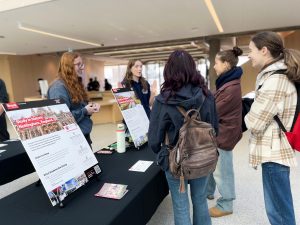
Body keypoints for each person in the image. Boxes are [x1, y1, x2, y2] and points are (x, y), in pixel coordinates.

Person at [148, 50, 218, 225]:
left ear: (168, 71)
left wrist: (161, 152)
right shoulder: (207, 96)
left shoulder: (162, 100)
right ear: (192, 69)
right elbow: (215, 129)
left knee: (180, 206)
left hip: (174, 160)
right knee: (200, 200)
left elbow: (155, 139)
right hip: (203, 158)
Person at [245, 31, 299, 225]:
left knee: (279, 212)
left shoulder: (275, 80)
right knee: (279, 207)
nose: (249, 54)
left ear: (264, 50)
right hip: (274, 150)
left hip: (274, 152)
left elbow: (255, 123)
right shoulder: (275, 75)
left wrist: (248, 113)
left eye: (251, 50)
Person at [206, 47, 243, 217]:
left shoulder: (231, 87)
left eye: (216, 63)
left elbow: (214, 110)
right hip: (221, 132)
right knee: (215, 163)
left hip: (225, 134)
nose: (214, 66)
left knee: (223, 170)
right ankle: (208, 190)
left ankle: (226, 204)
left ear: (226, 64)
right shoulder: (227, 83)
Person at [47, 52, 100, 147]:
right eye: (78, 64)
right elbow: (61, 118)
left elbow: (79, 106)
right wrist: (85, 111)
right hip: (71, 141)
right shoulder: (58, 88)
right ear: (68, 66)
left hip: (82, 136)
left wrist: (90, 107)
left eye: (82, 64)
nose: (82, 67)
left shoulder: (74, 83)